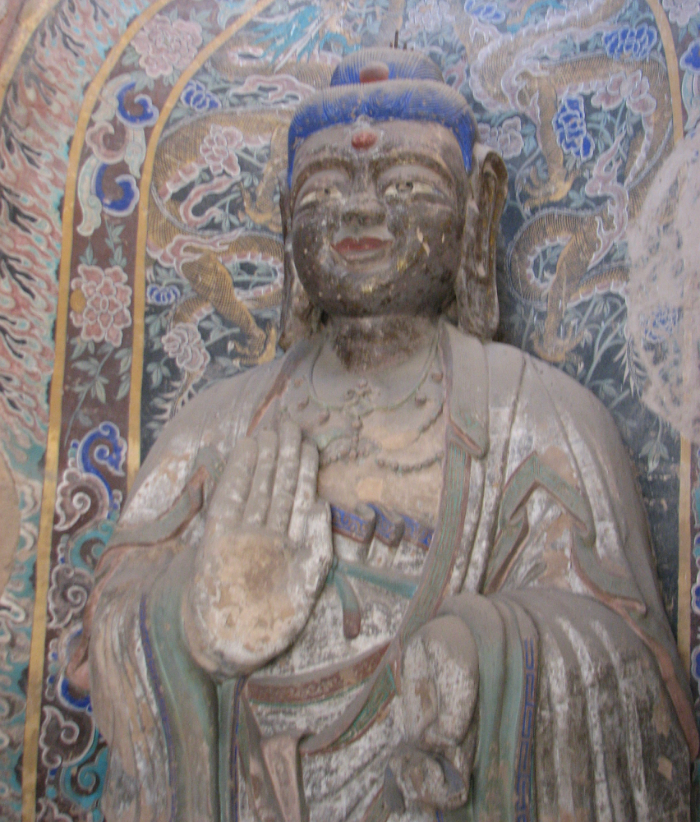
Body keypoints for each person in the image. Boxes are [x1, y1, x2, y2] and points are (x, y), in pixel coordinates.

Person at [76, 49, 697, 822]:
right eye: (324, 190)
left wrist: (486, 651)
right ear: (286, 220)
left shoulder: (538, 415)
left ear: (475, 214)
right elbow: (105, 635)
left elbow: (638, 672)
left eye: (406, 185)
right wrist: (197, 617)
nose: (361, 212)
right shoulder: (219, 423)